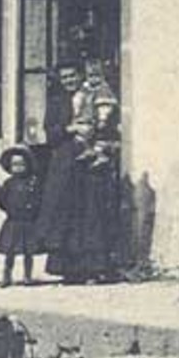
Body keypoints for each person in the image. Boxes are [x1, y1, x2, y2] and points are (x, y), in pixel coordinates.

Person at [36, 61, 121, 284]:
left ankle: (93, 268)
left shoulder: (92, 95)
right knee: (65, 215)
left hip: (88, 165)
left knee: (90, 215)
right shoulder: (56, 103)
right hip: (64, 164)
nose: (69, 81)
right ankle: (68, 270)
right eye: (64, 78)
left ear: (80, 75)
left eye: (72, 76)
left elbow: (107, 123)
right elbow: (51, 135)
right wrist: (69, 128)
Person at [0, 146, 44, 287]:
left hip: (28, 222)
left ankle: (27, 276)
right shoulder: (9, 183)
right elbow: (0, 198)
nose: (18, 168)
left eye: (22, 164)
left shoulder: (33, 182)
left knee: (29, 251)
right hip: (13, 222)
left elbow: (39, 199)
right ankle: (6, 276)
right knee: (10, 251)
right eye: (15, 165)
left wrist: (33, 211)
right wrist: (8, 208)